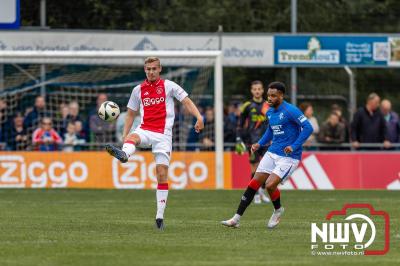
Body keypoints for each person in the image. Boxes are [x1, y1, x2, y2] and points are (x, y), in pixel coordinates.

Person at [105, 57, 204, 230]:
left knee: (161, 174)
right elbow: (130, 114)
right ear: (144, 70)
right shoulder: (138, 90)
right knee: (132, 138)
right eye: (148, 69)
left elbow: (187, 101)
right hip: (145, 129)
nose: (150, 72)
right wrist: (124, 134)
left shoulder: (169, 86)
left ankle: (159, 217)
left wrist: (199, 117)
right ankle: (124, 154)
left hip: (163, 135)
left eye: (153, 69)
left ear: (160, 69)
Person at [221, 81, 313, 229]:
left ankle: (278, 210)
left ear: (281, 96)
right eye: (268, 95)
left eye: (273, 96)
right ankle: (236, 218)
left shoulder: (291, 110)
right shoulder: (269, 111)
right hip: (272, 152)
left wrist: (294, 146)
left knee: (270, 185)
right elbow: (270, 130)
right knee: (253, 183)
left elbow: (308, 127)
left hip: (289, 157)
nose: (269, 98)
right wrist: (259, 143)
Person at [235, 80, 270, 204]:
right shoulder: (247, 105)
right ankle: (255, 194)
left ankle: (262, 191)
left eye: (259, 89)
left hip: (267, 141)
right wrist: (239, 139)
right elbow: (239, 123)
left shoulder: (268, 105)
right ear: (251, 91)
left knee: (267, 170)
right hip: (252, 142)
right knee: (254, 169)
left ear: (262, 90)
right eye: (255, 89)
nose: (257, 91)